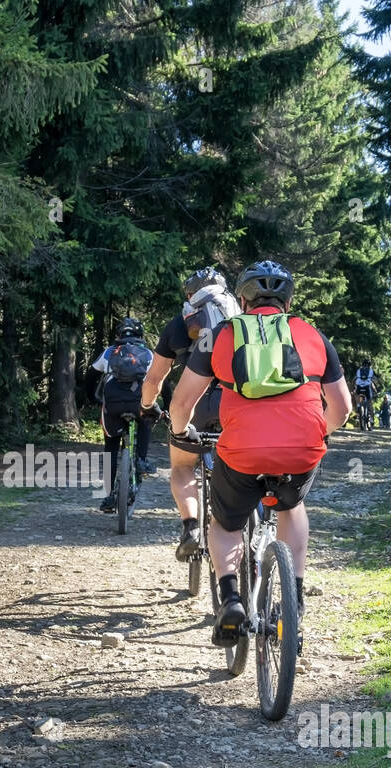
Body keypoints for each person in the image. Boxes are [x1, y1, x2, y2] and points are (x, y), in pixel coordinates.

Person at [168, 260, 352, 646]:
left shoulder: (221, 335)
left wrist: (181, 431)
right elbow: (342, 409)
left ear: (241, 299)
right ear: (288, 300)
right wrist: (320, 432)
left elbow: (183, 401)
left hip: (242, 453)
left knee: (226, 523)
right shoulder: (312, 335)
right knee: (292, 506)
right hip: (301, 450)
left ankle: (231, 599)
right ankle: (294, 603)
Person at [140, 267, 239, 561]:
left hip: (193, 403)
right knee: (246, 466)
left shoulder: (178, 325)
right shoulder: (241, 319)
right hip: (235, 403)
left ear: (189, 295)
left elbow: (154, 379)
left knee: (183, 466)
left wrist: (147, 407)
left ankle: (191, 528)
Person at [89, 317, 158, 513]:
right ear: (140, 335)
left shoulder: (109, 353)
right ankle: (141, 459)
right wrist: (166, 404)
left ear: (118, 334)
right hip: (138, 401)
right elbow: (162, 381)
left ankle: (110, 495)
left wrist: (92, 398)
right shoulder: (148, 354)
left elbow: (91, 376)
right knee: (146, 418)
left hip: (113, 404)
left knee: (110, 446)